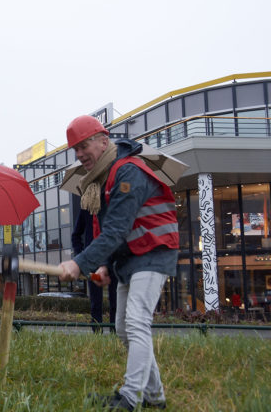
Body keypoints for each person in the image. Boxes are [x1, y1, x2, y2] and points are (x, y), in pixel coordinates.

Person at [58, 115, 178, 411]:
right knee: (123, 328)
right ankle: (155, 397)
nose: (80, 154)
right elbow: (109, 229)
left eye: (83, 145)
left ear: (103, 139)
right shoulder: (104, 179)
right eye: (75, 149)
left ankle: (130, 398)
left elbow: (116, 230)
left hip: (153, 251)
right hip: (131, 258)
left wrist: (80, 263)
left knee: (136, 323)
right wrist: (101, 266)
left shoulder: (127, 173)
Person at [72, 208, 117, 333]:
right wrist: (82, 257)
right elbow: (76, 235)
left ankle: (115, 333)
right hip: (93, 263)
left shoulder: (111, 203)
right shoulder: (86, 208)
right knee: (96, 301)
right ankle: (97, 333)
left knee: (116, 300)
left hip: (113, 260)